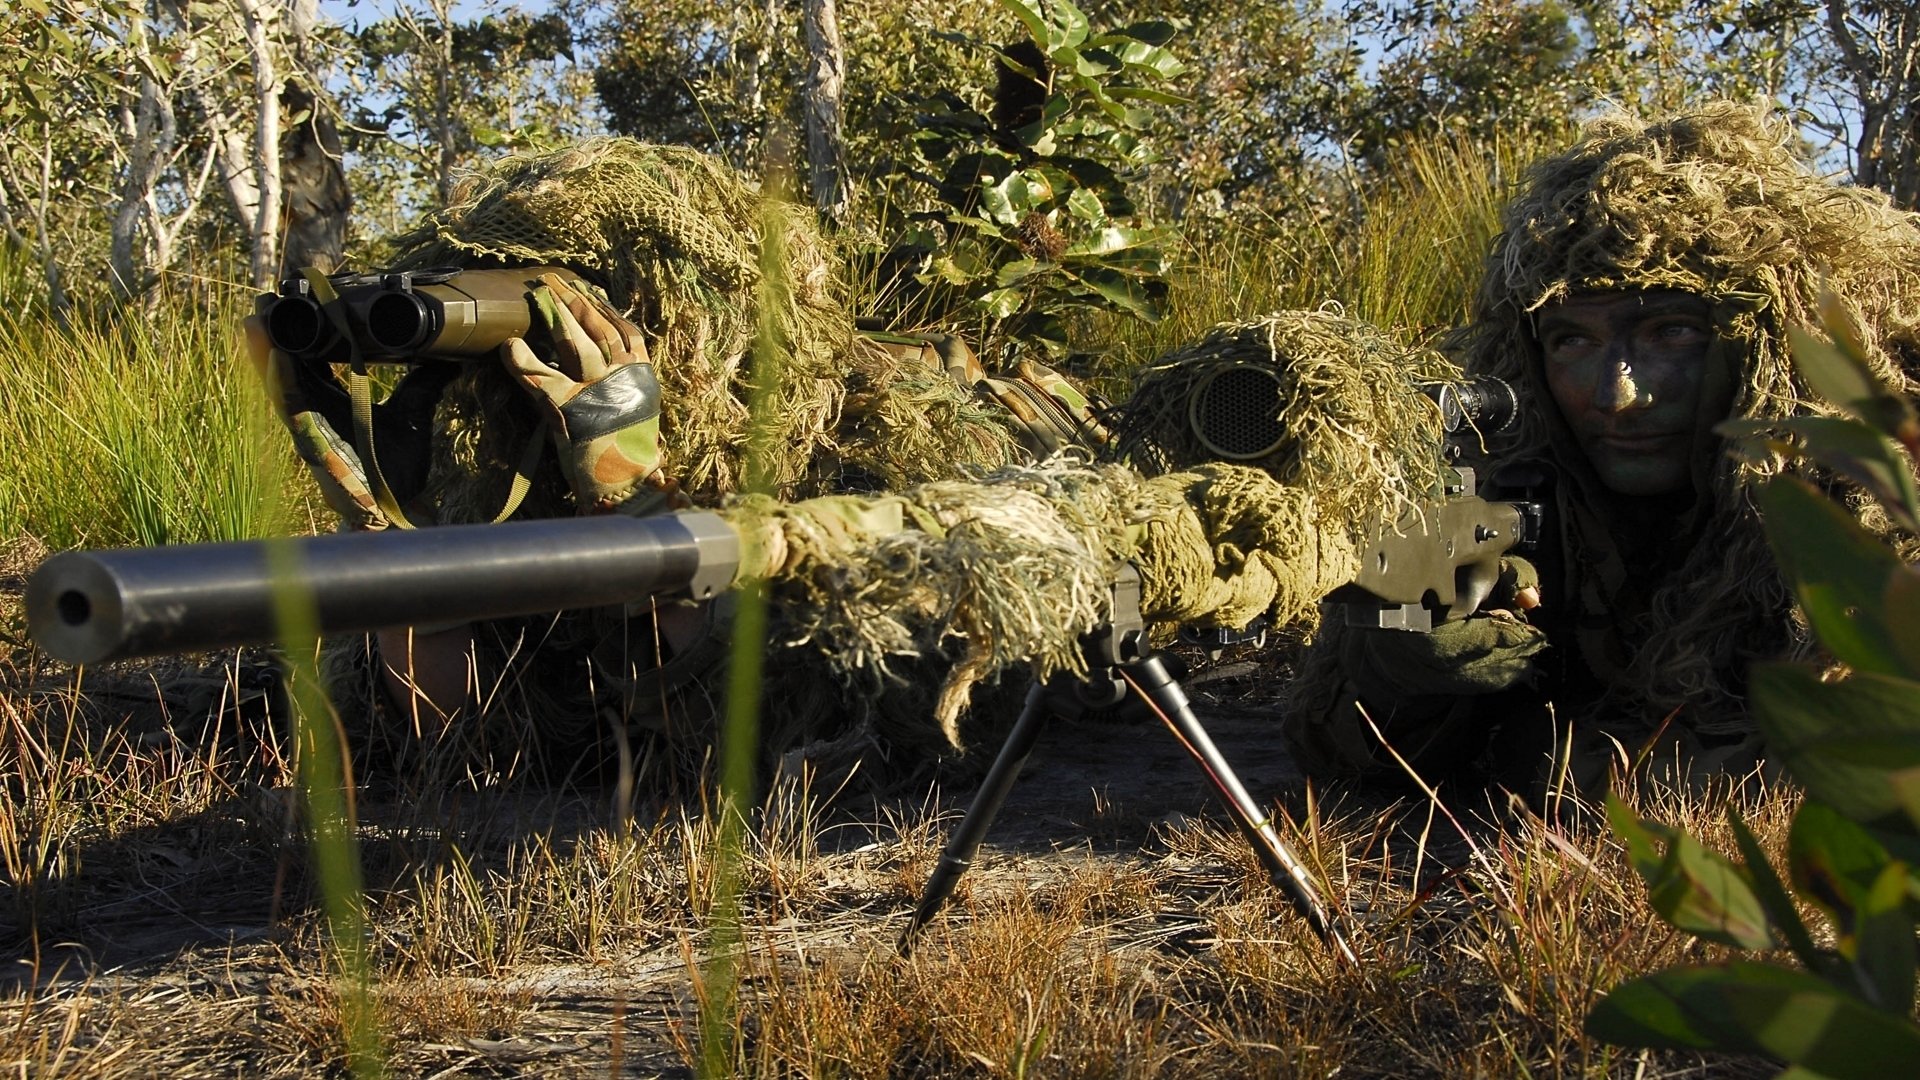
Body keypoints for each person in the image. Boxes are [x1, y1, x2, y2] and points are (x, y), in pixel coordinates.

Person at [251, 139, 1109, 787]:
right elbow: (476, 764)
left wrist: (635, 500)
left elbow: (808, 749)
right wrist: (390, 526)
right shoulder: (505, 481)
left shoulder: (871, 443)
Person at [1283, 101, 1920, 800]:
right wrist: (1405, 671)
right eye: (1573, 341)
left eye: (1670, 333)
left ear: (1765, 347)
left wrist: (1544, 757)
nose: (1615, 396)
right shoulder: (1511, 478)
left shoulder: (1868, 495)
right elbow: (1329, 743)